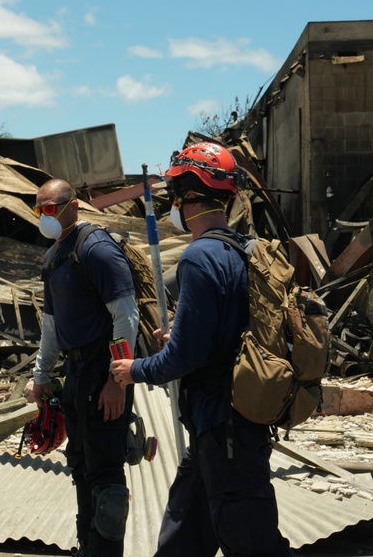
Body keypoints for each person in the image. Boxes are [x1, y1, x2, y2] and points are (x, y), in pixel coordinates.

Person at [110, 142, 295, 557]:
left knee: (251, 539)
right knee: (185, 532)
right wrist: (180, 337)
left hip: (224, 424)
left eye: (176, 195)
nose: (173, 204)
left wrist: (134, 369)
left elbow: (185, 358)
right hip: (221, 423)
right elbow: (221, 334)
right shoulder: (243, 251)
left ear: (189, 198)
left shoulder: (199, 258)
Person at [30, 178, 139, 557]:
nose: (44, 216)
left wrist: (117, 380)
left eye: (49, 208)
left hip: (102, 371)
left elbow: (126, 317)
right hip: (75, 375)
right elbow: (50, 324)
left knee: (106, 476)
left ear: (72, 207)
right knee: (80, 467)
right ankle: (88, 547)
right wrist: (42, 376)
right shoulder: (53, 256)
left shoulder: (96, 249)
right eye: (38, 209)